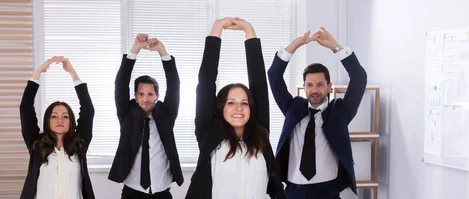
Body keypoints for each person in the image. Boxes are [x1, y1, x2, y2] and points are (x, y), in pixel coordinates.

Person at [185, 17, 285, 199]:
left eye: (244, 103)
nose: (238, 108)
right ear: (220, 108)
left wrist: (249, 31)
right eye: (231, 102)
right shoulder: (209, 133)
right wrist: (217, 29)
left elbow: (259, 84)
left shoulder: (260, 133)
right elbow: (206, 82)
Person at [268, 27, 368, 199]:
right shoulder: (293, 108)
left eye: (320, 84)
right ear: (304, 87)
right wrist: (296, 45)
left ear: (329, 87)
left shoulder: (340, 112)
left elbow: (359, 77)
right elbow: (274, 75)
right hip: (293, 192)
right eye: (309, 85)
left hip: (327, 192)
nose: (314, 90)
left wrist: (334, 46)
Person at [109, 34, 182, 199]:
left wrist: (162, 52)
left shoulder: (167, 114)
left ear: (157, 95)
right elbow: (120, 83)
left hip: (161, 191)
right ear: (135, 96)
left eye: (150, 94)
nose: (145, 98)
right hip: (132, 191)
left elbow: (174, 84)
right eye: (141, 94)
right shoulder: (127, 113)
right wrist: (135, 49)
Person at [20, 56, 95, 199]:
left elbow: (88, 110)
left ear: (71, 121)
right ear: (47, 121)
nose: (60, 119)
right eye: (54, 116)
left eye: (65, 116)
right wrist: (39, 72)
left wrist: (72, 72)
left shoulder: (80, 144)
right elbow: (25, 108)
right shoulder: (37, 145)